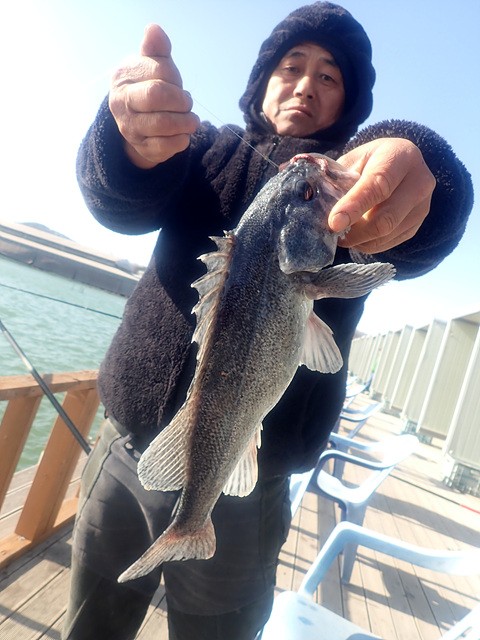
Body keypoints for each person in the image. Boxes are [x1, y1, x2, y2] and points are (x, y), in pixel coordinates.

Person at [64, 2, 473, 639]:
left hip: (249, 491)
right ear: (262, 83)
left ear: (350, 104)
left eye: (329, 76)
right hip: (124, 449)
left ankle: (193, 527)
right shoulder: (203, 149)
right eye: (291, 67)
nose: (306, 85)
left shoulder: (347, 185)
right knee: (91, 625)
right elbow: (118, 201)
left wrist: (421, 167)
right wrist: (124, 144)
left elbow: (425, 227)